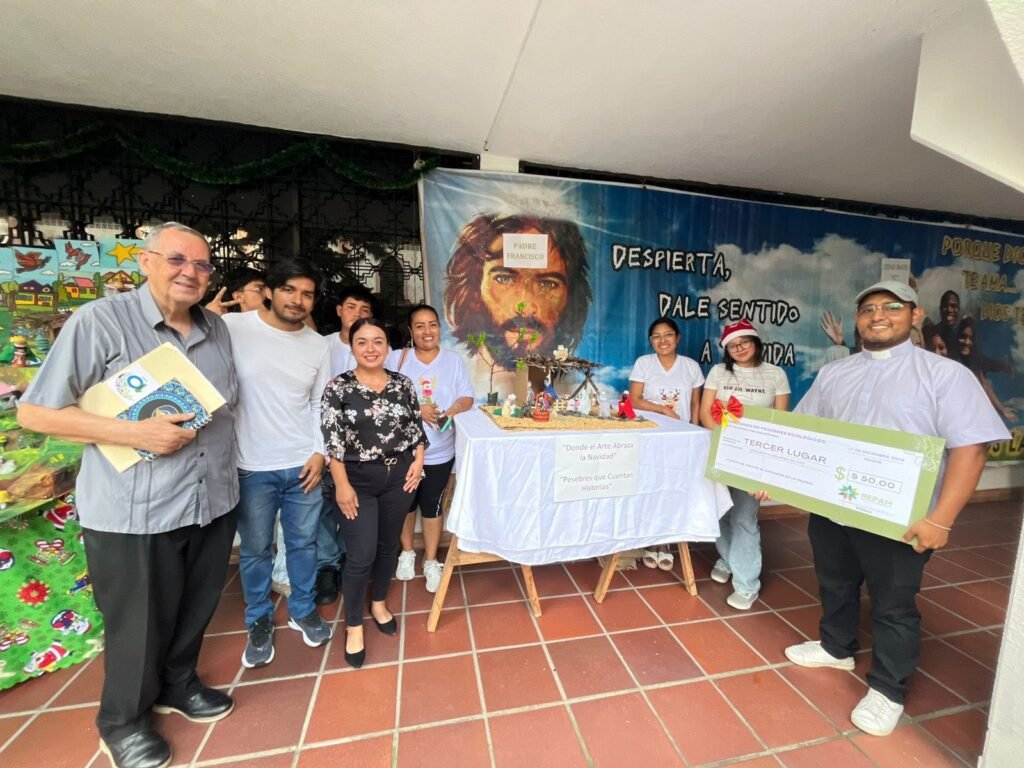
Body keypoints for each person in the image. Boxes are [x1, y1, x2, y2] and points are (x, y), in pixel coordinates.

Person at [17, 222, 239, 768]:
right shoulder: (101, 321)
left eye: (202, 264)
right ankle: (123, 722)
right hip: (135, 509)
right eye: (177, 259)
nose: (190, 272)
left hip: (210, 498)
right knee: (138, 624)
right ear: (145, 261)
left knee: (195, 607)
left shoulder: (215, 327)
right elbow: (36, 412)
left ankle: (178, 684)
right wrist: (134, 432)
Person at [777, 279, 1008, 737]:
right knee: (835, 583)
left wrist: (941, 519)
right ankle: (836, 647)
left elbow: (971, 450)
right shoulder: (835, 374)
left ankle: (888, 689)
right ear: (857, 320)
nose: (878, 316)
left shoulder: (945, 375)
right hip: (833, 507)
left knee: (893, 604)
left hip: (901, 519)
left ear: (915, 315)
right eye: (868, 310)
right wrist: (772, 474)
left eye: (891, 307)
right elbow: (803, 432)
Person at [222, 258, 333, 669]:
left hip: (303, 463)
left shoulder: (317, 345)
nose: (298, 300)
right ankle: (259, 619)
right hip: (252, 465)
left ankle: (303, 610)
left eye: (307, 294)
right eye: (289, 290)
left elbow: (320, 403)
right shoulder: (232, 328)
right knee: (255, 550)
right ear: (269, 291)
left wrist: (320, 452)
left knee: (303, 544)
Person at [321, 317, 427, 668]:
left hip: (399, 479)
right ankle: (354, 625)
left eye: (378, 341)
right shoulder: (338, 388)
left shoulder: (402, 383)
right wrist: (342, 485)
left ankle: (378, 602)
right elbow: (332, 444)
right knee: (360, 554)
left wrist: (418, 462)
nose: (371, 348)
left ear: (387, 346)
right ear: (352, 347)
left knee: (387, 546)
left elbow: (415, 429)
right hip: (357, 482)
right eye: (362, 342)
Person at [443, 213, 592, 393]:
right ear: (474, 292)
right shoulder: (452, 382)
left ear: (570, 299)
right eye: (504, 279)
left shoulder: (582, 390)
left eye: (548, 284)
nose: (526, 308)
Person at [698, 319, 790, 610]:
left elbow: (780, 421)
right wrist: (726, 445)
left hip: (755, 457)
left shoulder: (776, 374)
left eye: (744, 342)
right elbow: (705, 413)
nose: (739, 349)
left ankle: (747, 583)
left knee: (744, 517)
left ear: (756, 343)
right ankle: (728, 559)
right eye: (732, 346)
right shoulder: (718, 372)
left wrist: (767, 459)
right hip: (720, 451)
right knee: (721, 511)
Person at [387, 304, 474, 593]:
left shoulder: (453, 360)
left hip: (440, 450)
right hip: (404, 451)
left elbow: (467, 396)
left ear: (439, 328)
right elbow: (381, 397)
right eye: (420, 326)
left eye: (432, 324)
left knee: (433, 505)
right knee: (406, 503)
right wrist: (416, 409)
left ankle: (431, 560)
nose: (427, 331)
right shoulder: (397, 358)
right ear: (411, 331)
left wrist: (452, 410)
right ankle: (407, 553)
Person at [313, 284, 377, 605]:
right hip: (325, 444)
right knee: (325, 504)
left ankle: (352, 558)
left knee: (357, 504)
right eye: (351, 307)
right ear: (339, 310)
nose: (357, 314)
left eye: (364, 310)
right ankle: (327, 565)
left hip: (363, 448)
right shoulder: (320, 346)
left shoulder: (375, 350)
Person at [628, 316, 703, 569]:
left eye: (668, 335)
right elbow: (635, 400)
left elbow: (696, 402)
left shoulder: (691, 366)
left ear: (677, 337)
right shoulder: (644, 363)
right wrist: (662, 409)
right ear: (651, 341)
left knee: (675, 488)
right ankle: (652, 541)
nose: (663, 340)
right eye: (656, 336)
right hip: (651, 434)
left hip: (681, 438)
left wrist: (693, 430)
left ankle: (668, 542)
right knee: (652, 485)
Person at [955, 316, 1017, 422]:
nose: (967, 342)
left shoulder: (974, 362)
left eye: (971, 338)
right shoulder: (949, 358)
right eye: (963, 337)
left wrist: (1002, 410)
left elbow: (984, 385)